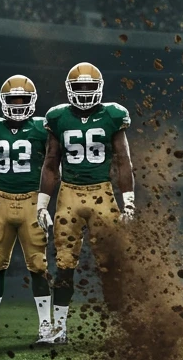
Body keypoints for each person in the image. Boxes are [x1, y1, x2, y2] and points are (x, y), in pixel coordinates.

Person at [36, 62, 134, 345]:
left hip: (102, 193)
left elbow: (123, 161)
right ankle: (59, 328)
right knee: (64, 263)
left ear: (100, 89)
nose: (84, 93)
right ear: (69, 89)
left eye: (89, 88)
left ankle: (119, 326)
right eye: (79, 88)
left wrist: (128, 202)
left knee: (111, 263)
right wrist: (42, 204)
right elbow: (51, 162)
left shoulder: (112, 115)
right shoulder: (58, 117)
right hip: (68, 194)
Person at [0, 75, 52, 341]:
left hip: (31, 200)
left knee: (38, 265)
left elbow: (53, 170)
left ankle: (46, 325)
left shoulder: (43, 128)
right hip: (2, 201)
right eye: (12, 100)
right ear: (2, 102)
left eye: (23, 100)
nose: (17, 105)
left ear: (32, 101)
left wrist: (45, 205)